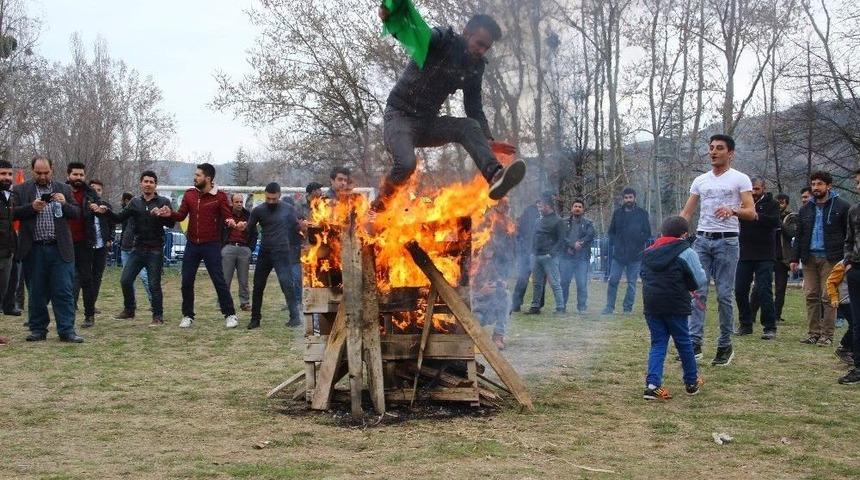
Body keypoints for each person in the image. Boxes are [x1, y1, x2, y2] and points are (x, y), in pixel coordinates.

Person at [375, 10, 525, 210]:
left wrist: (486, 140)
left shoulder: (475, 67)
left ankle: (495, 176)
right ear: (466, 33)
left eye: (486, 48)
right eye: (479, 44)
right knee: (407, 164)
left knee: (469, 126)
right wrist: (391, 20)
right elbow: (418, 35)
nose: (482, 51)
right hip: (399, 117)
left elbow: (474, 107)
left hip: (428, 123)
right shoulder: (444, 40)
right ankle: (376, 209)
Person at [680, 134, 756, 366]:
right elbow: (687, 213)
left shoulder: (740, 179)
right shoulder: (700, 180)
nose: (713, 152)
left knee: (724, 294)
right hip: (702, 240)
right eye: (711, 148)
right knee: (697, 292)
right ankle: (694, 343)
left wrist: (733, 210)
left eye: (719, 148)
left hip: (727, 241)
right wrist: (674, 233)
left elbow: (751, 212)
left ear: (730, 153)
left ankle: (725, 345)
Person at [159, 163, 239, 329]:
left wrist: (231, 222)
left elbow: (227, 216)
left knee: (218, 280)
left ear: (208, 178)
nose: (194, 178)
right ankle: (187, 315)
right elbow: (181, 216)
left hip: (211, 245)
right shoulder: (189, 194)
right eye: (195, 175)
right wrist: (170, 213)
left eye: (198, 175)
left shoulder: (220, 197)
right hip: (192, 245)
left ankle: (230, 314)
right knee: (187, 281)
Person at [13, 155, 82, 343]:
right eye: (38, 173)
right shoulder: (21, 190)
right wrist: (31, 207)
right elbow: (12, 213)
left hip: (60, 249)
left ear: (52, 169)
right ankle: (38, 329)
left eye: (46, 172)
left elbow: (77, 213)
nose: (43, 176)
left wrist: (64, 204)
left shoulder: (64, 189)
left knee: (63, 291)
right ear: (32, 170)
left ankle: (67, 330)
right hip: (34, 249)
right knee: (36, 291)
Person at [640, 216, 706, 400]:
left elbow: (643, 275)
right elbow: (699, 279)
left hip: (652, 304)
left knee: (658, 343)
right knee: (684, 343)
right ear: (684, 234)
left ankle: (652, 385)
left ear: (662, 232)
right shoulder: (687, 251)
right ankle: (691, 382)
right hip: (676, 304)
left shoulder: (648, 252)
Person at [790, 171, 850, 346]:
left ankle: (827, 335)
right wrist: (794, 258)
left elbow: (848, 234)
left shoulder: (842, 206)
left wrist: (847, 258)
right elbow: (799, 236)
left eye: (819, 184)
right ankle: (813, 333)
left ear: (828, 186)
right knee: (811, 295)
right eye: (813, 184)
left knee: (828, 296)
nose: (815, 187)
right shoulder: (805, 209)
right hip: (809, 258)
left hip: (832, 258)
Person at [108, 171, 175, 326]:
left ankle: (158, 316)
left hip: (155, 249)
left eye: (151, 182)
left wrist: (164, 215)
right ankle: (129, 310)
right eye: (146, 181)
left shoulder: (163, 201)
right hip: (137, 248)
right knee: (125, 280)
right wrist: (106, 212)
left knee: (154, 284)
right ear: (141, 183)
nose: (148, 184)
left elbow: (171, 224)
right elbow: (119, 218)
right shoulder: (134, 202)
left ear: (155, 185)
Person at [246, 182, 304, 329]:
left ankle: (295, 318)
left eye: (274, 199)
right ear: (265, 195)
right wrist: (242, 231)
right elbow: (249, 228)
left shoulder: (288, 209)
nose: (271, 201)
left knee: (287, 285)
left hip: (282, 252)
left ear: (279, 195)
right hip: (265, 252)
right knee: (258, 286)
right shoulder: (258, 210)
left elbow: (296, 228)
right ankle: (255, 319)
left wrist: (303, 228)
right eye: (268, 198)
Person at [65, 162, 112, 328]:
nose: (78, 177)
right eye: (75, 174)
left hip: (84, 241)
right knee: (64, 280)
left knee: (87, 279)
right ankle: (65, 314)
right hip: (64, 242)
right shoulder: (61, 190)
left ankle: (89, 315)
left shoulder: (90, 193)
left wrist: (99, 209)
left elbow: (102, 212)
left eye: (81, 175)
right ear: (68, 175)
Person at [735, 178, 780, 339]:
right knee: (740, 289)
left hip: (765, 254)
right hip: (745, 253)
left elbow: (775, 222)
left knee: (764, 290)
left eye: (757, 189)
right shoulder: (742, 203)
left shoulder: (772, 204)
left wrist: (755, 216)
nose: (753, 192)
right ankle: (745, 324)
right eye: (751, 189)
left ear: (763, 188)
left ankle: (769, 326)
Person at [471, 199, 516, 349]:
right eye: (486, 249)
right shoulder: (467, 266)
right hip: (472, 309)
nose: (489, 253)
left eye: (491, 250)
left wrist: (501, 284)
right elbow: (458, 295)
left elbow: (497, 281)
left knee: (506, 296)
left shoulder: (491, 265)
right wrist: (479, 292)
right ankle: (470, 339)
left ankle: (498, 336)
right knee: (475, 318)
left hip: (488, 307)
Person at [603, 188, 651, 315]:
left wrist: (638, 242)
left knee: (631, 283)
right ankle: (609, 307)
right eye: (626, 198)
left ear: (635, 198)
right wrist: (616, 243)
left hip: (635, 255)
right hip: (618, 255)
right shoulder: (617, 213)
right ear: (623, 199)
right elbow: (611, 232)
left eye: (630, 197)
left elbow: (647, 233)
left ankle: (627, 308)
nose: (628, 200)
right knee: (613, 281)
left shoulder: (642, 214)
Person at [525, 192, 566, 315]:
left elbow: (561, 240)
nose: (540, 208)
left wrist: (551, 254)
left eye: (541, 206)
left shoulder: (558, 221)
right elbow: (534, 237)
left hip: (549, 257)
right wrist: (532, 252)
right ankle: (535, 306)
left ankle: (560, 307)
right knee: (537, 283)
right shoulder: (538, 221)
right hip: (536, 256)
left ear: (548, 206)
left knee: (554, 283)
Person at [840, 168, 860, 384]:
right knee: (857, 322)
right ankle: (858, 367)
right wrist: (848, 262)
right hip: (856, 270)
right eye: (857, 183)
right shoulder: (854, 211)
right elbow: (849, 239)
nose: (858, 187)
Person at [559, 199, 595, 313]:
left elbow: (590, 235)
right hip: (566, 258)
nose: (577, 208)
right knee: (564, 283)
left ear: (583, 209)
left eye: (580, 207)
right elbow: (561, 236)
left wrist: (580, 243)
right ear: (571, 209)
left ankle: (582, 307)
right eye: (575, 206)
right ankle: (561, 306)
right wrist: (572, 244)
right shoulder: (563, 222)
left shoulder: (588, 223)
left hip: (582, 258)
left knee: (582, 284)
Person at [117, 191, 152, 306]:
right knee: (127, 279)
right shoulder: (124, 214)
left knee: (144, 276)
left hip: (136, 248)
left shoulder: (139, 213)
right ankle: (131, 303)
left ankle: (153, 301)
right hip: (125, 247)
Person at [222, 193, 255, 312]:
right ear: (232, 203)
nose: (239, 204)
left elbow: (254, 233)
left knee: (244, 279)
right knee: (225, 278)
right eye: (237, 202)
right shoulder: (225, 215)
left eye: (241, 202)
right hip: (229, 247)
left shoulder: (248, 216)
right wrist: (222, 247)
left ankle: (245, 303)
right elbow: (219, 230)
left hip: (244, 248)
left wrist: (249, 249)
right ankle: (223, 302)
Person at [85, 179, 113, 320]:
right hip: (86, 246)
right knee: (81, 276)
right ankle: (73, 303)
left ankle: (92, 304)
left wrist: (110, 238)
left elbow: (112, 223)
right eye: (93, 189)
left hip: (101, 246)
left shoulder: (106, 207)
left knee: (97, 277)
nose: (96, 192)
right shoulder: (83, 205)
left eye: (99, 190)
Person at [511, 201, 539, 312]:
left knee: (535, 279)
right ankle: (516, 303)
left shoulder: (544, 212)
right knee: (524, 277)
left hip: (537, 251)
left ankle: (536, 304)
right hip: (528, 252)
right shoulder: (530, 212)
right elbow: (520, 234)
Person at [826, 261, 854, 366]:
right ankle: (844, 348)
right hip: (845, 301)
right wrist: (834, 297)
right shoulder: (843, 264)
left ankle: (852, 351)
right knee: (855, 325)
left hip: (855, 299)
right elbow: (830, 282)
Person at [0, 161, 17, 319]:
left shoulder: (10, 196)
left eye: (9, 174)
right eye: (3, 174)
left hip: (7, 251)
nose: (7, 177)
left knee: (4, 289)